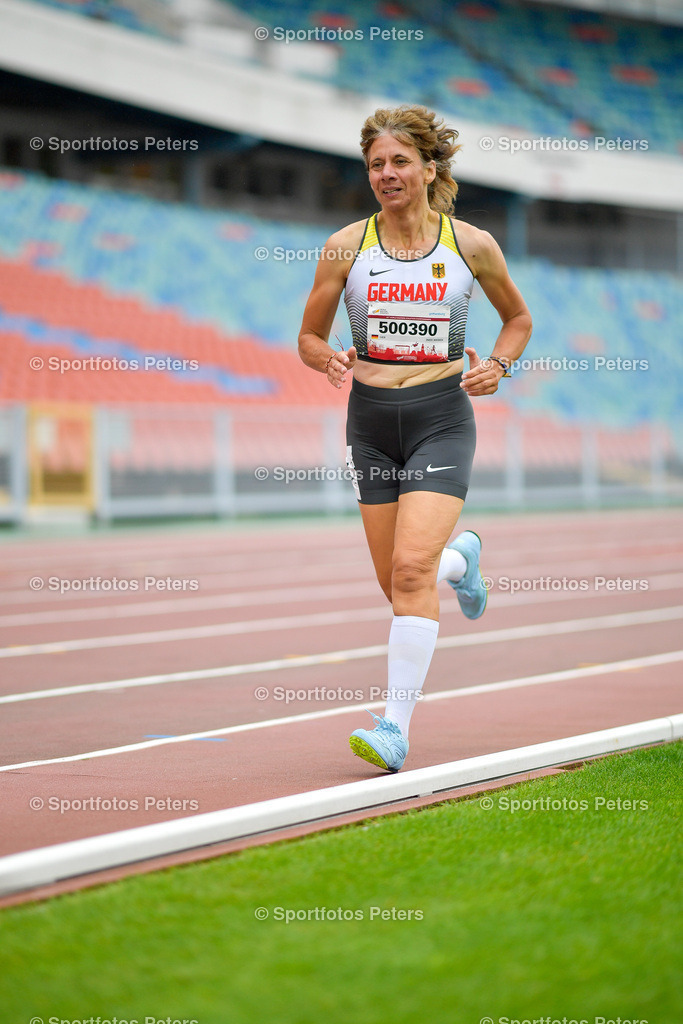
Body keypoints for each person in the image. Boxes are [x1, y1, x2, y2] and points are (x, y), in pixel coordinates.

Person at [298, 105, 532, 772]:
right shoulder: (346, 245)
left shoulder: (472, 245)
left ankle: (393, 729)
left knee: (408, 574)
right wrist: (326, 358)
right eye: (375, 164)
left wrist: (500, 365)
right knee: (397, 582)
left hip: (440, 417)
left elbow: (517, 319)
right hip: (369, 425)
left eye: (399, 161)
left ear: (430, 169)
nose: (386, 173)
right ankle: (460, 562)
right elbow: (307, 336)